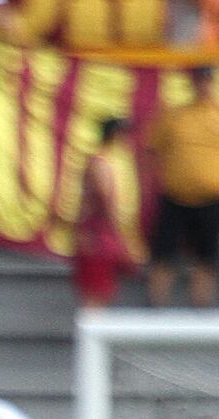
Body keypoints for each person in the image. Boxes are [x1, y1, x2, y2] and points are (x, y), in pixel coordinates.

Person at [147, 67, 219, 308]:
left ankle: (201, 309)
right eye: (199, 80)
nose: (203, 85)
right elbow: (152, 150)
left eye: (207, 80)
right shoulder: (174, 116)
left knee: (206, 257)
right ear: (192, 82)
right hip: (175, 197)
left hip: (210, 200)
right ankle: (157, 309)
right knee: (163, 255)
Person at [74, 117, 138, 309]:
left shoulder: (106, 162)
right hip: (97, 237)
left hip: (97, 236)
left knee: (100, 293)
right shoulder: (100, 163)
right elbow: (105, 202)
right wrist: (119, 238)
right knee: (96, 294)